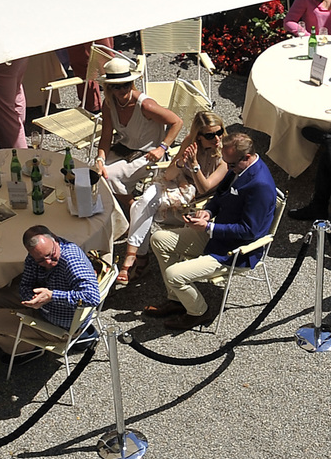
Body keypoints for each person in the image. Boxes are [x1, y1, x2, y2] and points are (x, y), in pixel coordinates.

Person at [143, 127, 277, 330]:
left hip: (235, 251)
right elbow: (220, 196)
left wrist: (209, 227)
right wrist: (208, 211)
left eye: (231, 164)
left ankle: (199, 312)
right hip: (216, 235)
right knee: (159, 239)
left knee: (173, 275)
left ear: (247, 157)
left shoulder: (260, 185)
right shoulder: (238, 169)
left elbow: (250, 231)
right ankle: (177, 299)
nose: (228, 167)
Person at [120, 109, 228, 288]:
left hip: (196, 204)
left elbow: (205, 187)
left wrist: (194, 166)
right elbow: (169, 176)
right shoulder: (190, 143)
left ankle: (139, 257)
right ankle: (136, 255)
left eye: (219, 132)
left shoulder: (225, 152)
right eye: (210, 135)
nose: (217, 139)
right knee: (143, 202)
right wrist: (180, 162)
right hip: (176, 187)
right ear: (199, 136)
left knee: (138, 208)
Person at [0, 224, 102, 349]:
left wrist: (52, 296)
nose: (48, 262)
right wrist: (32, 299)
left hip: (61, 325)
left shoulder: (72, 261)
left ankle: (25, 350)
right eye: (41, 260)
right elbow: (26, 284)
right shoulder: (35, 256)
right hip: (44, 306)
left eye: (50, 254)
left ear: (55, 238)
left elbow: (92, 297)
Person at [93, 57, 179, 202]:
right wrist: (100, 159)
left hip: (147, 155)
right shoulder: (109, 104)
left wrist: (162, 148)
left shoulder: (146, 106)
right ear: (109, 88)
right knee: (94, 169)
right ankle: (119, 205)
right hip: (123, 150)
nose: (123, 90)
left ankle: (131, 209)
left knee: (109, 176)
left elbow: (177, 122)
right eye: (117, 86)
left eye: (126, 84)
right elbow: (106, 137)